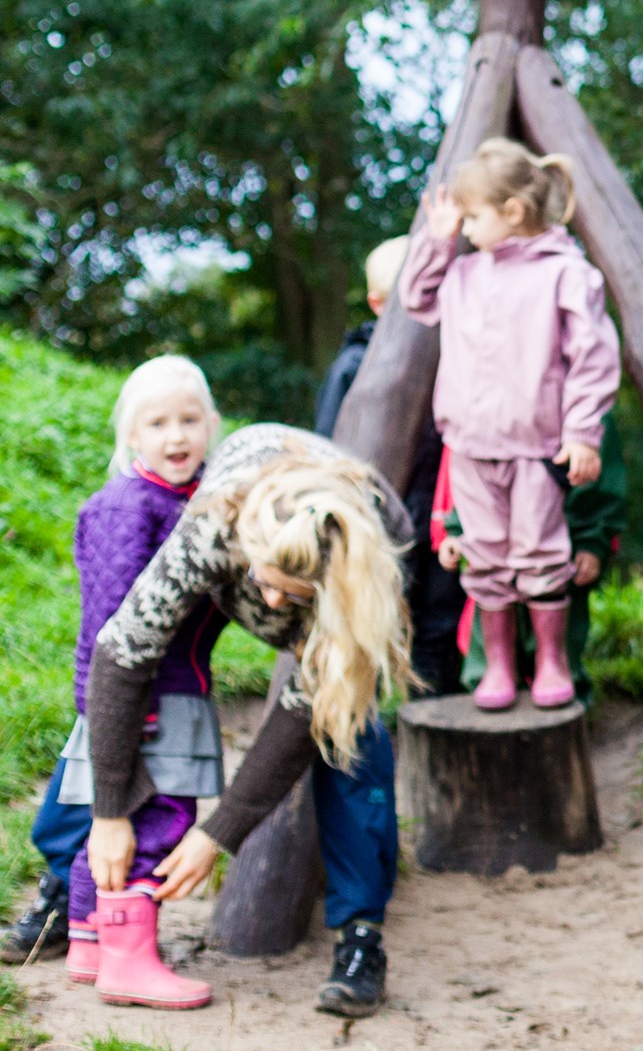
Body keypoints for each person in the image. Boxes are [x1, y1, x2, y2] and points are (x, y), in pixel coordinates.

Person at [83, 424, 415, 1015]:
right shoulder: (216, 521)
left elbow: (308, 705)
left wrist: (220, 833)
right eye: (266, 584)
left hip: (350, 603)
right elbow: (120, 651)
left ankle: (361, 934)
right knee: (142, 682)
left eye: (294, 595)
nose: (271, 606)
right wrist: (108, 810)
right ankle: (72, 887)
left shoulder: (373, 564)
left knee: (349, 736)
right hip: (228, 548)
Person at [0, 358, 223, 971]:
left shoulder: (202, 504)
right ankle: (86, 926)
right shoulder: (129, 507)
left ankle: (87, 932)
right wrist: (115, 714)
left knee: (105, 810)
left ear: (211, 425)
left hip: (172, 687)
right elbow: (110, 626)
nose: (177, 436)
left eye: (189, 420)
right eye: (159, 423)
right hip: (133, 697)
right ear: (132, 436)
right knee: (100, 815)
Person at [400, 138, 621, 712]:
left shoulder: (566, 276)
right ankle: (497, 664)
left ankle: (551, 661)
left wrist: (582, 432)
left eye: (473, 216)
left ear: (513, 213)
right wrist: (440, 236)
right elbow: (415, 297)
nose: (467, 228)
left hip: (534, 446)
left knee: (541, 553)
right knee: (486, 555)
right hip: (471, 446)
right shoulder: (465, 272)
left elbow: (592, 358)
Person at [318, 237, 466, 696]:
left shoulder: (457, 358)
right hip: (381, 522)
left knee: (439, 620)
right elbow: (327, 445)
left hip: (442, 517)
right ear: (377, 305)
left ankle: (431, 716)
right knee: (379, 619)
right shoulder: (355, 367)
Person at [445, 413, 628, 705]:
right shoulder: (488, 389)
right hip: (494, 545)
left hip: (560, 547)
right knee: (492, 618)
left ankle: (565, 706)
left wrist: (592, 543)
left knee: (558, 634)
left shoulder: (585, 405)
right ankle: (492, 695)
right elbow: (473, 470)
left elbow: (603, 481)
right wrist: (456, 530)